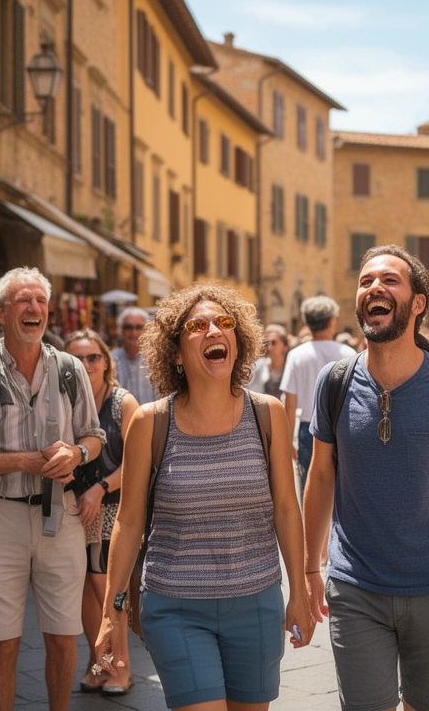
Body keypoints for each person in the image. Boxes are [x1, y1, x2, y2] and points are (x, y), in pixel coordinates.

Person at [93, 283, 312, 710]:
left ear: (239, 340)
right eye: (198, 325)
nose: (215, 330)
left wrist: (300, 592)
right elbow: (130, 519)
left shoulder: (268, 413)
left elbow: (287, 508)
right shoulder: (150, 421)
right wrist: (111, 611)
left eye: (224, 322)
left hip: (257, 603)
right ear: (175, 352)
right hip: (175, 606)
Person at [303, 246, 429, 711]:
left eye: (390, 280)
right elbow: (320, 475)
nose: (374, 287)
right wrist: (311, 568)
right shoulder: (334, 382)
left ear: (417, 304)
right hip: (355, 588)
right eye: (366, 279)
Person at [0, 268, 104, 711]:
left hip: (62, 514)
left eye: (39, 301)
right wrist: (27, 461)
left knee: (62, 635)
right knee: (1, 640)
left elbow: (94, 436)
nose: (34, 309)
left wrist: (77, 455)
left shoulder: (71, 369)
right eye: (22, 301)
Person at [63, 328, 138, 696]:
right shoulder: (64, 400)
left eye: (93, 357)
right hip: (73, 508)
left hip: (112, 507)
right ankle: (99, 662)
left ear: (106, 362)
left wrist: (100, 487)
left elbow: (141, 463)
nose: (85, 364)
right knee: (82, 592)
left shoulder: (123, 402)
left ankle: (120, 666)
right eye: (76, 358)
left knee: (108, 591)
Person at [281, 296, 355, 493]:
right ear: (332, 321)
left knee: (310, 488)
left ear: (306, 322)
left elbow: (290, 403)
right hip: (342, 427)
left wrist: (288, 442)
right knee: (343, 489)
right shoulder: (348, 353)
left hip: (308, 430)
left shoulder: (296, 355)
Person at [111, 306, 156, 404]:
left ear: (146, 331)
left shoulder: (155, 361)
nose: (133, 332)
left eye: (139, 327)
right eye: (128, 327)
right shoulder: (111, 360)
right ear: (121, 330)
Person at [249, 324, 289, 398]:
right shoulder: (258, 367)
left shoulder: (291, 368)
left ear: (285, 346)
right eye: (267, 343)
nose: (270, 348)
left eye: (274, 343)